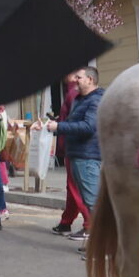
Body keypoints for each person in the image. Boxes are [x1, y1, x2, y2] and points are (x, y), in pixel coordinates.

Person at [40, 66, 103, 248]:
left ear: (90, 79)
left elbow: (88, 127)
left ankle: (103, 246)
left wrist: (58, 127)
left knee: (92, 202)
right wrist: (48, 126)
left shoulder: (95, 100)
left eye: (79, 77)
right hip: (77, 155)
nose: (75, 80)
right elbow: (69, 122)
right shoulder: (79, 99)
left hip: (87, 156)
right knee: (89, 200)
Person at [49, 69, 91, 238]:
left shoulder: (73, 93)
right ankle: (66, 222)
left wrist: (58, 125)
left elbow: (74, 121)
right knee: (73, 187)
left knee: (76, 187)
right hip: (75, 146)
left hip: (75, 147)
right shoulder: (75, 93)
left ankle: (89, 225)